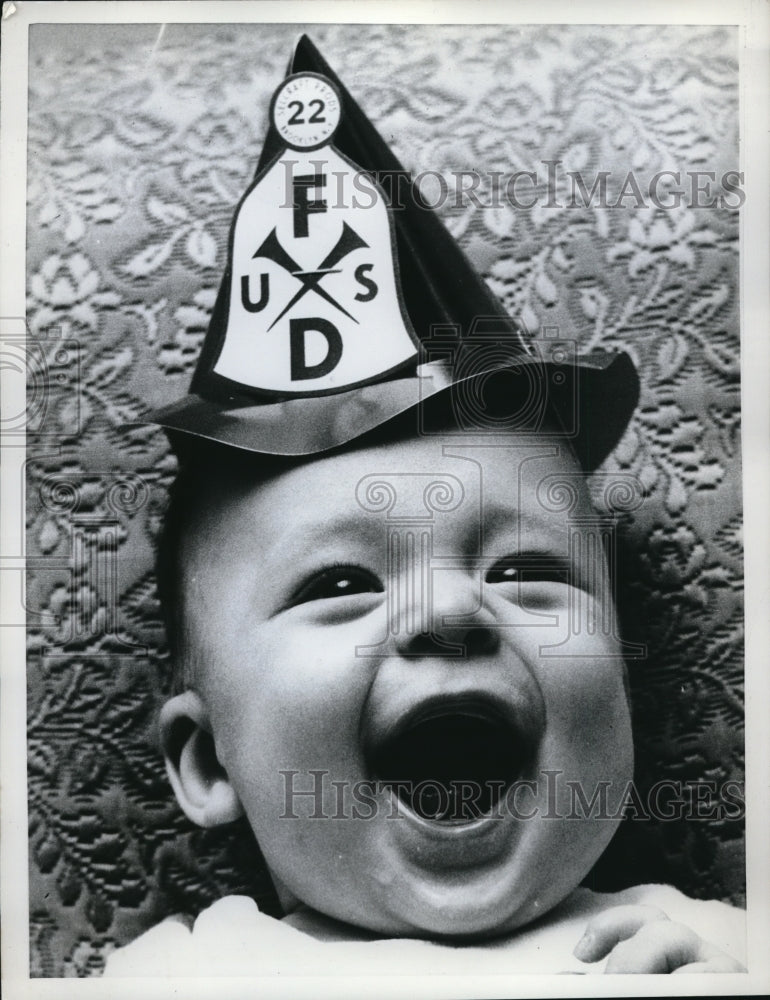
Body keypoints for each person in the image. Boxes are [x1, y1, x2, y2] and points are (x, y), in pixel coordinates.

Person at [104, 36, 745, 977]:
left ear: (623, 700)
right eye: (341, 582)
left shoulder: (711, 943)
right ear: (207, 762)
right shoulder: (187, 975)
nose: (448, 612)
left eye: (526, 571)